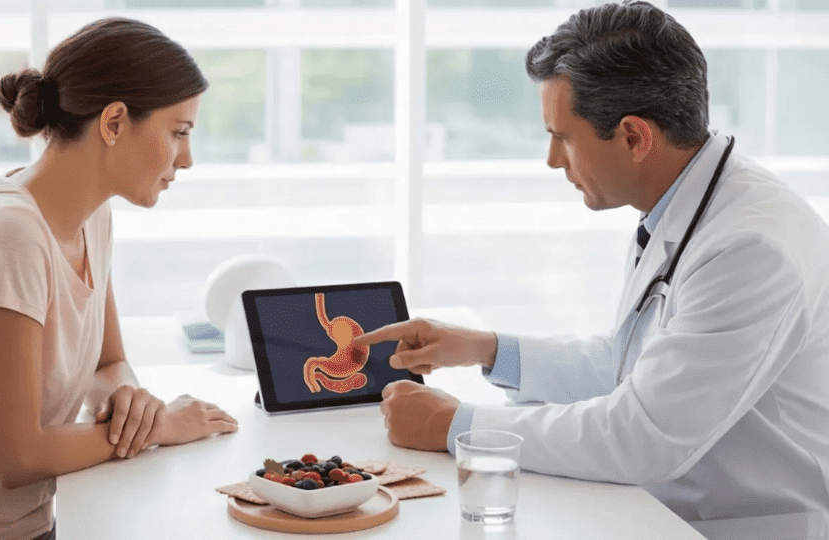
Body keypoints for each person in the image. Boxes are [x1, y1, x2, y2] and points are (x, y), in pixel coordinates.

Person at [355, 1, 829, 537]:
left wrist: (455, 426)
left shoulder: (751, 248)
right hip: (661, 510)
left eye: (563, 136)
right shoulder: (685, 206)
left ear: (634, 137)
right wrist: (483, 348)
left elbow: (642, 436)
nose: (553, 160)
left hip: (738, 527)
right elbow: (629, 367)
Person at [0, 17, 238, 540]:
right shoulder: (9, 237)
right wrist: (161, 427)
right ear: (113, 124)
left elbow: (108, 363)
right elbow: (16, 458)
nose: (188, 158)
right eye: (178, 133)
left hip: (27, 524)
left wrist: (128, 400)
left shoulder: (93, 216)